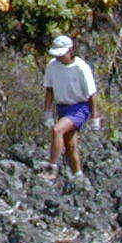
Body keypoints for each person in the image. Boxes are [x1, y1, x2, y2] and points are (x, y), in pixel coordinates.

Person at [40, 34, 100, 182]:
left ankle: (51, 168)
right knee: (70, 145)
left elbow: (92, 94)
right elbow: (49, 89)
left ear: (71, 51)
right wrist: (47, 112)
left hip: (79, 107)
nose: (59, 57)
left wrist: (95, 116)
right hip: (62, 108)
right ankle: (78, 176)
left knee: (57, 130)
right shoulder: (52, 66)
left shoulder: (81, 68)